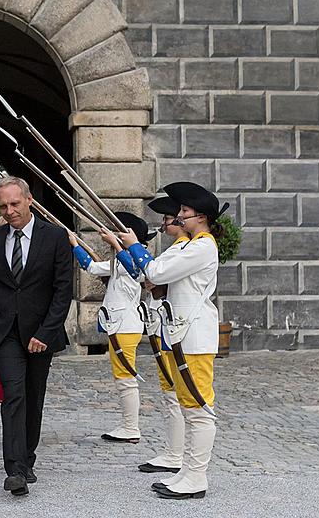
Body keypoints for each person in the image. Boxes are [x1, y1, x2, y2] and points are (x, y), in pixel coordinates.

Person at [117, 182, 226, 500]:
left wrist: (134, 245)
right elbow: (158, 280)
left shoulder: (202, 245)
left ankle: (196, 476)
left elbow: (155, 270)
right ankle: (188, 471)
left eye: (184, 212)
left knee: (199, 407)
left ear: (201, 216)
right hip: (183, 334)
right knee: (189, 406)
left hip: (193, 337)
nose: (179, 217)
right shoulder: (195, 244)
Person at [0, 177, 73, 497]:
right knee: (14, 395)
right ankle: (15, 469)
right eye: (3, 206)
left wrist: (46, 333)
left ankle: (28, 457)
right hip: (6, 332)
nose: (9, 211)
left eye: (14, 204)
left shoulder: (56, 237)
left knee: (34, 396)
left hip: (41, 332)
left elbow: (64, 291)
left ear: (29, 200)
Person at [69, 212, 155, 445]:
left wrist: (117, 244)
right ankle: (128, 425)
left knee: (126, 378)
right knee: (122, 378)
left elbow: (137, 271)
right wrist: (75, 244)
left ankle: (131, 427)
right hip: (118, 325)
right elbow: (92, 267)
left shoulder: (135, 259)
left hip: (126, 326)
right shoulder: (120, 261)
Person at [137, 196, 190, 475]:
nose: (165, 222)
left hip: (172, 325)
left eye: (170, 217)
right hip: (163, 323)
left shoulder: (183, 249)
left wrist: (130, 247)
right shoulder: (176, 248)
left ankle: (176, 455)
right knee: (170, 393)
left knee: (176, 395)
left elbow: (156, 275)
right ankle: (173, 451)